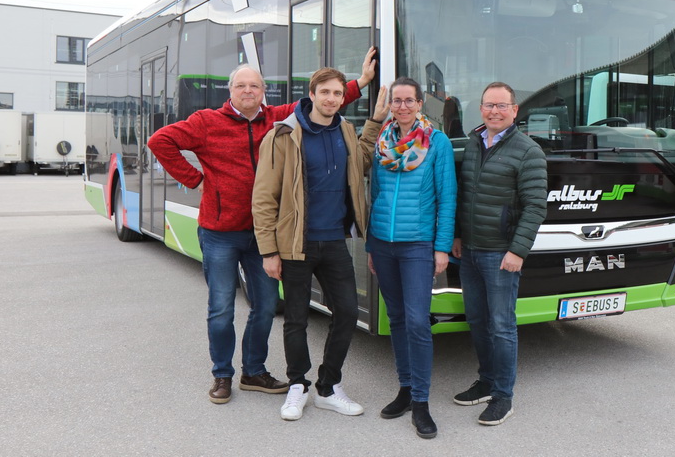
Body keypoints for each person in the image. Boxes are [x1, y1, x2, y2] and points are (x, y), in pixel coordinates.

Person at [147, 49, 376, 405]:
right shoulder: (206, 121)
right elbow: (159, 141)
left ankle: (253, 370)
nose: (248, 90)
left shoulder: (277, 118)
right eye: (241, 85)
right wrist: (196, 179)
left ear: (263, 90)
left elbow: (321, 101)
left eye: (255, 85)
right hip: (221, 230)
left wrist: (359, 82)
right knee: (222, 306)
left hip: (264, 234)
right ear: (231, 90)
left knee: (267, 305)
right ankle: (222, 374)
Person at [253, 68, 389, 422]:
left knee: (346, 313)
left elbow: (358, 164)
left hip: (333, 241)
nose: (331, 99)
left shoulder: (345, 129)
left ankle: (328, 387)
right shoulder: (283, 134)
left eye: (337, 94)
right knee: (296, 318)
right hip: (295, 243)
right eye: (325, 92)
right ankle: (298, 385)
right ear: (311, 94)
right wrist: (269, 250)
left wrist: (373, 122)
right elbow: (264, 197)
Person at [451, 81, 547, 426]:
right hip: (471, 251)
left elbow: (536, 207)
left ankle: (504, 396)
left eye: (501, 106)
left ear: (514, 110)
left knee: (502, 325)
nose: (494, 111)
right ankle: (486, 381)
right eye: (489, 105)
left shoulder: (528, 150)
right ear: (481, 109)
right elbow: (465, 196)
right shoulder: (474, 144)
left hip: (501, 255)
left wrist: (518, 251)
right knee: (477, 321)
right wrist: (459, 236)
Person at [367, 78, 456, 439]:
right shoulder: (381, 142)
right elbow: (373, 192)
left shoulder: (437, 142)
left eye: (409, 100)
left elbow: (447, 198)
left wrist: (441, 248)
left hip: (418, 244)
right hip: (383, 243)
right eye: (396, 100)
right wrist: (372, 245)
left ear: (420, 104)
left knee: (419, 322)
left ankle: (421, 402)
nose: (402, 106)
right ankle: (405, 389)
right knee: (399, 319)